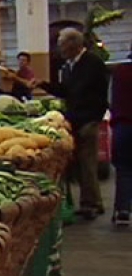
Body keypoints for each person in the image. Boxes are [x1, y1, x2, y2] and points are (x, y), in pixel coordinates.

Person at [38, 28, 111, 220]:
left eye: (62, 45)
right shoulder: (70, 66)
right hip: (76, 120)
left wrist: (92, 117)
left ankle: (92, 204)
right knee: (81, 164)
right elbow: (67, 91)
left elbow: (95, 93)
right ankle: (90, 202)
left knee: (88, 164)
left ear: (73, 45)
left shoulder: (92, 63)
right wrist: (43, 85)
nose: (60, 49)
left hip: (88, 120)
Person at [110, 41, 132, 227]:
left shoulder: (120, 72)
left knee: (124, 170)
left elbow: (112, 99)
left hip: (123, 127)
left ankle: (123, 211)